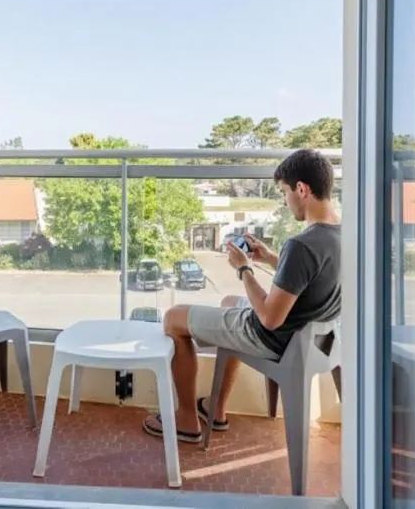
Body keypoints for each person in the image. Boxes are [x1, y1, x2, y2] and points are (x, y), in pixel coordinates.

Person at [142, 148, 341, 443]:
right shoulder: (342, 233)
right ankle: (216, 409)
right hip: (310, 338)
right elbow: (312, 278)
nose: (286, 202)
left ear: (302, 189)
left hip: (274, 338)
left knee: (174, 318)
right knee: (228, 303)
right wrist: (271, 258)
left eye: (285, 192)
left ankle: (186, 420)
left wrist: (243, 269)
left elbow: (270, 318)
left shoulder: (302, 244)